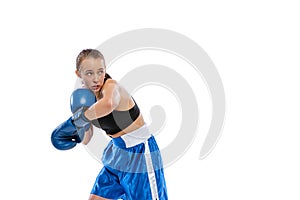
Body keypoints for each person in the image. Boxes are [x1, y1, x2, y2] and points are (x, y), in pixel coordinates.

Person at [73, 49, 168, 200]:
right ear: (79, 74)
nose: (97, 79)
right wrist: (75, 129)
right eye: (90, 73)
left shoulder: (111, 87)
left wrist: (80, 118)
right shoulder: (84, 98)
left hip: (140, 154)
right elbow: (86, 138)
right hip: (116, 154)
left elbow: (109, 104)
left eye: (100, 71)